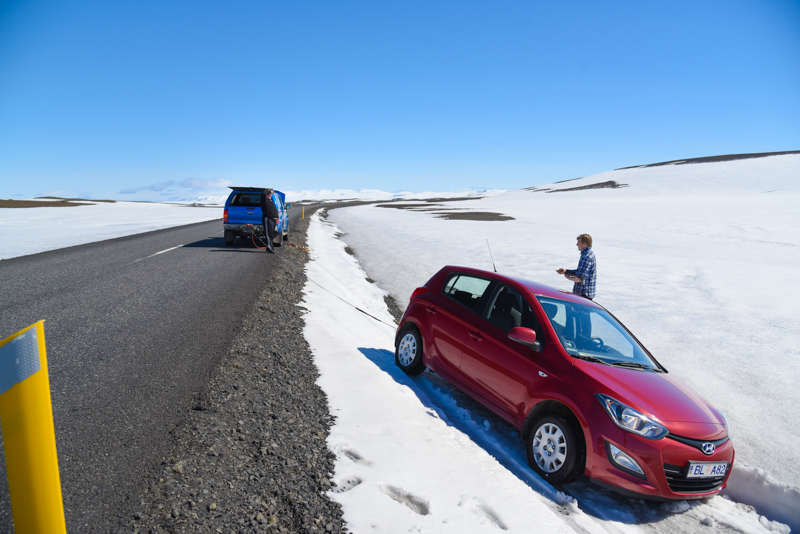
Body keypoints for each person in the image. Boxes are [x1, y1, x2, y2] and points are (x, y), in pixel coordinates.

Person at [556, 234, 596, 300]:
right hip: (584, 294)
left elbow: (579, 278)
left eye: (578, 242)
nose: (577, 244)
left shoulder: (587, 257)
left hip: (583, 295)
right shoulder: (588, 254)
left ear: (584, 244)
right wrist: (566, 271)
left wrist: (568, 276)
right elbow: (580, 272)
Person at [260, 188, 279, 253]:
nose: (270, 195)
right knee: (268, 235)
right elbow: (263, 193)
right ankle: (270, 248)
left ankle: (269, 248)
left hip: (273, 220)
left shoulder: (270, 201)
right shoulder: (264, 200)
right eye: (269, 194)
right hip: (268, 219)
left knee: (271, 234)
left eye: (270, 194)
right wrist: (269, 191)